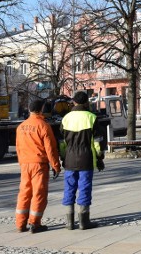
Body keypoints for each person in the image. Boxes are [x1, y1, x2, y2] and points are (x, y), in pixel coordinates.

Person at [15, 99, 61, 233]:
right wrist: (56, 165)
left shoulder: (21, 127)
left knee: (24, 193)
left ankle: (20, 224)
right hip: (39, 165)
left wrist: (22, 162)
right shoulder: (43, 126)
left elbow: (18, 147)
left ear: (29, 110)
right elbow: (51, 149)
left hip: (25, 164)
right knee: (38, 194)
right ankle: (35, 224)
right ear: (41, 110)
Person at [60, 91, 104, 230]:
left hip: (70, 159)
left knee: (69, 187)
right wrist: (99, 157)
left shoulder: (66, 118)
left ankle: (69, 221)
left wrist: (63, 157)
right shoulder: (91, 117)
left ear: (73, 102)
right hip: (86, 158)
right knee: (84, 187)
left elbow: (62, 142)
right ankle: (84, 220)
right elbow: (97, 141)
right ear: (86, 102)